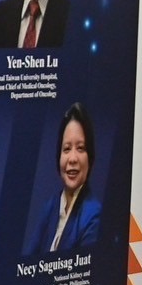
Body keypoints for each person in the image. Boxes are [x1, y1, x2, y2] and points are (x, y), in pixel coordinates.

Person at [27, 102, 102, 253]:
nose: (72, 158)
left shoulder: (94, 215)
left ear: (90, 157)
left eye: (80, 148)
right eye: (66, 149)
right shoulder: (51, 206)